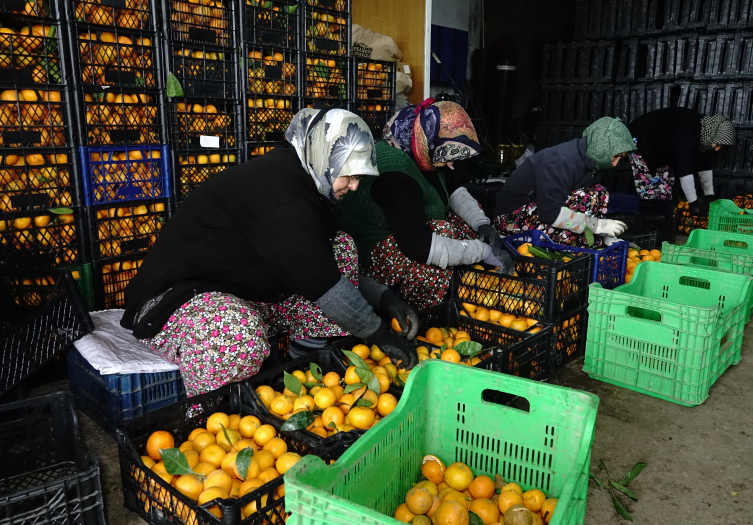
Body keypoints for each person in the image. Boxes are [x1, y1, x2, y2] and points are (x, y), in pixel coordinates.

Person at [120, 108, 419, 397]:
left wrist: (384, 297)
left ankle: (309, 373)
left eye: (359, 178)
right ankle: (211, 415)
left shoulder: (305, 182)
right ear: (324, 157)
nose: (354, 187)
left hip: (239, 291)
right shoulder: (282, 195)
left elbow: (320, 267)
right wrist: (382, 336)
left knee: (339, 246)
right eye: (349, 175)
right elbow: (325, 283)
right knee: (235, 335)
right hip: (174, 302)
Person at [338, 100, 514, 310]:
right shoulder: (393, 173)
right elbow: (419, 246)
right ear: (428, 139)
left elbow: (455, 190)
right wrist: (482, 252)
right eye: (448, 156)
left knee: (464, 223)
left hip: (406, 233)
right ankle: (411, 307)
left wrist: (482, 224)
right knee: (444, 231)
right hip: (371, 250)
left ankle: (462, 284)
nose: (452, 164)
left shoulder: (425, 150)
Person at [494, 117, 636, 247]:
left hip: (539, 209)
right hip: (512, 219)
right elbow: (551, 213)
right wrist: (596, 226)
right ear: (602, 148)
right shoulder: (562, 162)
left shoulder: (589, 162)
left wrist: (602, 234)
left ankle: (596, 241)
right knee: (584, 201)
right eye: (616, 156)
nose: (616, 164)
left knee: (599, 192)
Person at [628, 108, 736, 213]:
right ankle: (649, 220)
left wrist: (709, 196)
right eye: (718, 144)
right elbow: (685, 169)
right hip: (641, 136)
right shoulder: (687, 133)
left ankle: (660, 217)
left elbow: (705, 165)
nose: (717, 149)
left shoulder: (705, 135)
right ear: (713, 135)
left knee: (665, 184)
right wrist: (693, 203)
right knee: (650, 183)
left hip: (662, 144)